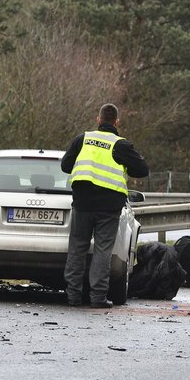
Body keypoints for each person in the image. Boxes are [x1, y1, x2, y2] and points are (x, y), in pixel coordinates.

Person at [61, 103, 149, 308]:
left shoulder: (83, 139)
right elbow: (142, 169)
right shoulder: (121, 145)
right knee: (102, 250)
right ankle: (98, 298)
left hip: (82, 203)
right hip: (109, 208)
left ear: (98, 120)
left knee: (77, 248)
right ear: (117, 122)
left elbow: (66, 166)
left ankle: (73, 297)